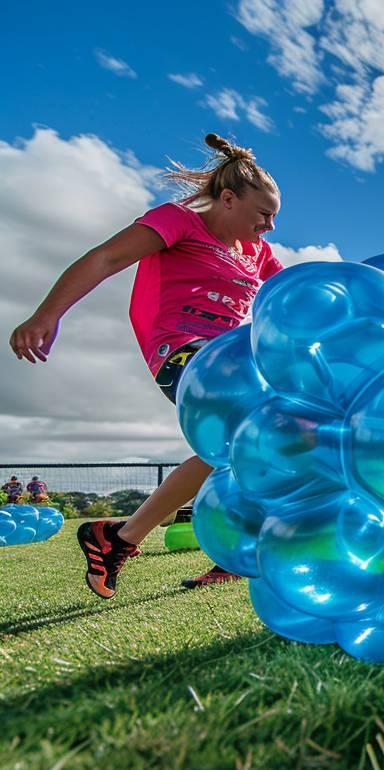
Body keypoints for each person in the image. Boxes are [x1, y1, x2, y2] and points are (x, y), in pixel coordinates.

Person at [9, 133, 283, 595]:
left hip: (236, 359)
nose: (270, 227)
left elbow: (296, 295)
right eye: (264, 214)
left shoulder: (256, 252)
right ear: (229, 199)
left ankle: (123, 539)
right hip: (182, 353)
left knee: (244, 448)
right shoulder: (179, 221)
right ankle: (157, 540)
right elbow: (105, 258)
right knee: (251, 432)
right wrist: (46, 314)